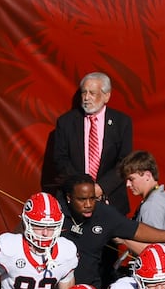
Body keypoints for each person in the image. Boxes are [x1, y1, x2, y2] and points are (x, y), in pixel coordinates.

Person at [60, 176, 165, 289]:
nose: (88, 204)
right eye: (82, 199)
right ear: (69, 198)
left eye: (92, 198)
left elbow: (136, 229)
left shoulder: (103, 213)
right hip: (55, 288)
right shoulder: (57, 213)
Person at [49, 72, 133, 209]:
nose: (86, 98)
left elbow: (125, 162)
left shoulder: (122, 123)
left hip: (110, 199)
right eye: (84, 92)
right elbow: (60, 159)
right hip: (75, 199)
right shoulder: (66, 122)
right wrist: (83, 188)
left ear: (106, 96)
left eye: (92, 93)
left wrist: (101, 187)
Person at [118, 152, 165, 268]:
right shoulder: (163, 198)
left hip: (158, 274)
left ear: (147, 175)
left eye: (131, 179)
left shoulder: (152, 205)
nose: (127, 184)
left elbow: (152, 251)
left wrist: (123, 239)